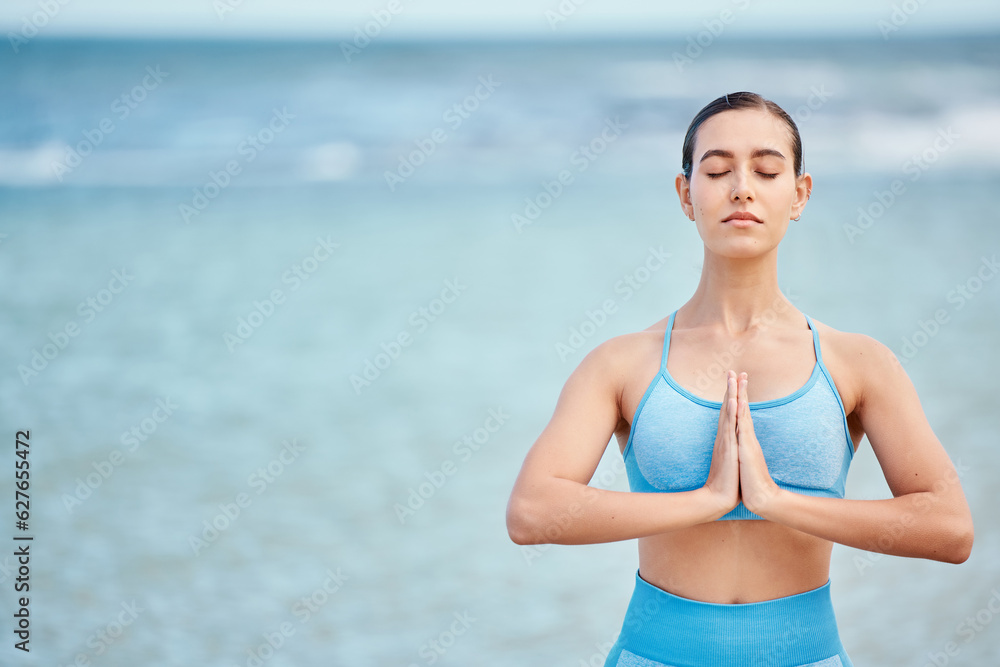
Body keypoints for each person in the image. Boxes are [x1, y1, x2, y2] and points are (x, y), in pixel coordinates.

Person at [505, 91, 974, 667]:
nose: (741, 188)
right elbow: (531, 513)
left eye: (767, 169)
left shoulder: (858, 363)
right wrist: (706, 500)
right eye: (718, 170)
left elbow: (949, 528)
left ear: (799, 194)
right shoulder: (622, 363)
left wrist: (776, 501)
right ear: (686, 194)